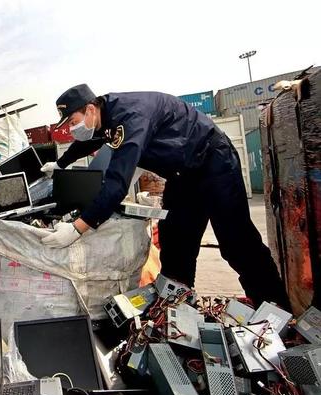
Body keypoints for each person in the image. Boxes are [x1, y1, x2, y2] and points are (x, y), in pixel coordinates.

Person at [40, 84, 290, 310]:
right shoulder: (105, 118)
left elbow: (117, 184)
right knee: (175, 240)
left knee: (236, 242)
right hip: (183, 175)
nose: (72, 129)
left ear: (90, 109)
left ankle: (275, 307)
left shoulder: (131, 116)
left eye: (73, 121)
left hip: (214, 162)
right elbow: (87, 142)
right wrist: (61, 163)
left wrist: (77, 228)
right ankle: (177, 307)